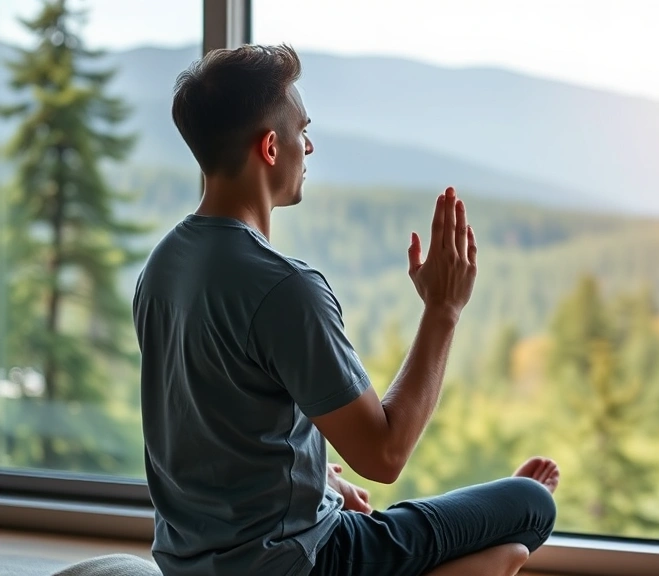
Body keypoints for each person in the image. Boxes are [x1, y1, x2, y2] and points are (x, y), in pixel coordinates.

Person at [132, 44, 559, 576]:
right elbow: (384, 455)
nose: (307, 147)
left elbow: (211, 427)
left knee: (461, 529)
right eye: (301, 131)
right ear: (270, 147)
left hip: (186, 563)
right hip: (302, 563)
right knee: (531, 506)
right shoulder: (284, 288)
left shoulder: (163, 265)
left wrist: (323, 483)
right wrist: (442, 311)